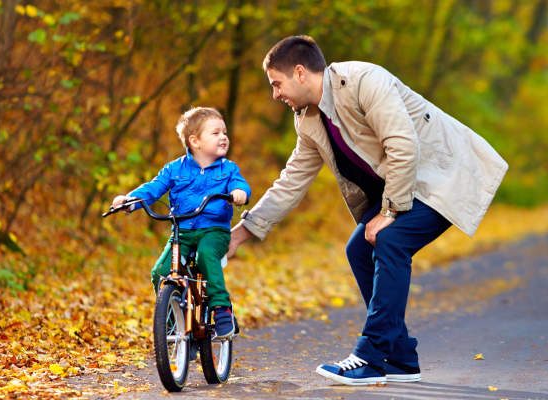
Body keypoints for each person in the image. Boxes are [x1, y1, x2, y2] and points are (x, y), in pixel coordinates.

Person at [227, 35, 507, 385]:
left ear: (300, 73)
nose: (275, 94)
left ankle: (371, 354)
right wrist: (245, 230)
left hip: (440, 176)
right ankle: (401, 358)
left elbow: (403, 144)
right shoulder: (308, 120)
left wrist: (388, 212)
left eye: (276, 84)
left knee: (389, 240)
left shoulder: (362, 81)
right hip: (404, 186)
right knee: (358, 248)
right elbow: (292, 181)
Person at [112, 106, 251, 339]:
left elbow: (241, 185)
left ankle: (221, 308)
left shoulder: (228, 169)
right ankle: (171, 317)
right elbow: (153, 188)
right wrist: (130, 200)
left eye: (224, 132)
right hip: (182, 232)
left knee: (207, 255)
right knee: (161, 272)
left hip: (214, 231)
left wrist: (239, 193)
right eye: (215, 133)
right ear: (195, 141)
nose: (223, 137)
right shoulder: (174, 169)